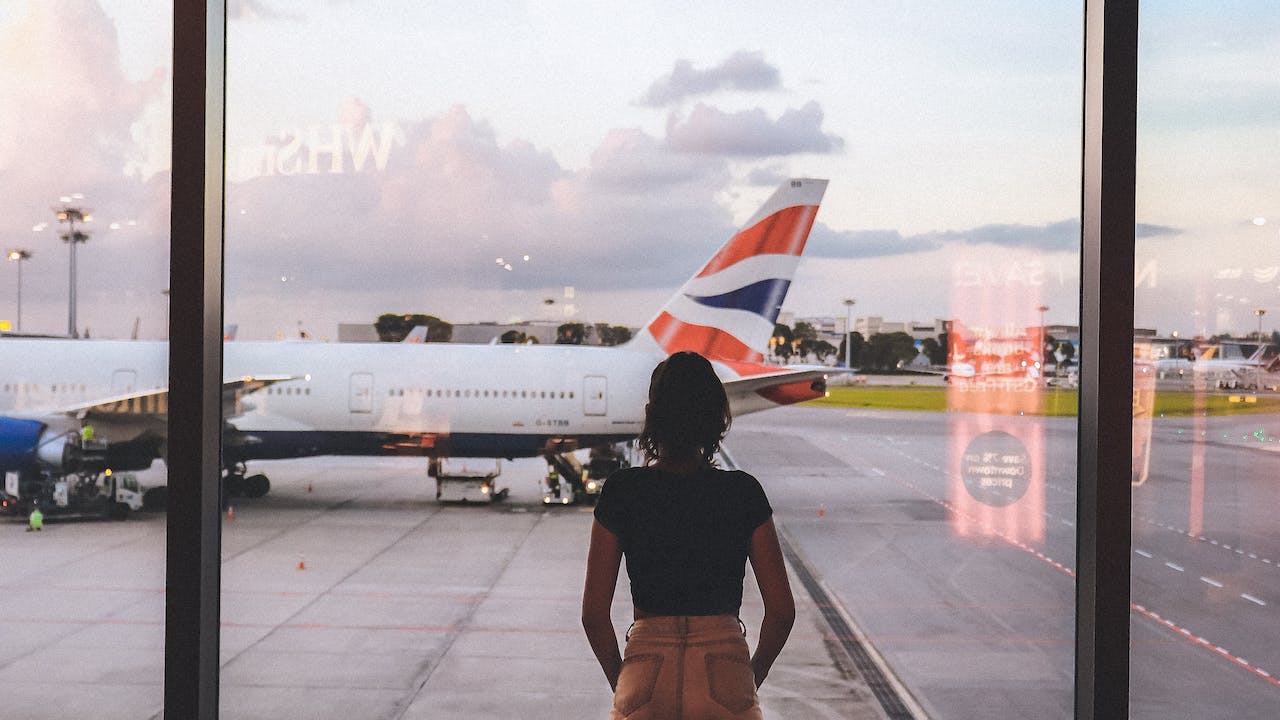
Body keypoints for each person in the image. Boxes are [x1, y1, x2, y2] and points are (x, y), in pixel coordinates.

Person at [582, 351, 795, 719]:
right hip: (726, 668)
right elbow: (781, 612)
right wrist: (746, 680)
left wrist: (626, 683)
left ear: (651, 418)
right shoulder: (743, 492)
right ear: (716, 421)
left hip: (646, 668)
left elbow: (594, 615)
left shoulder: (622, 491)